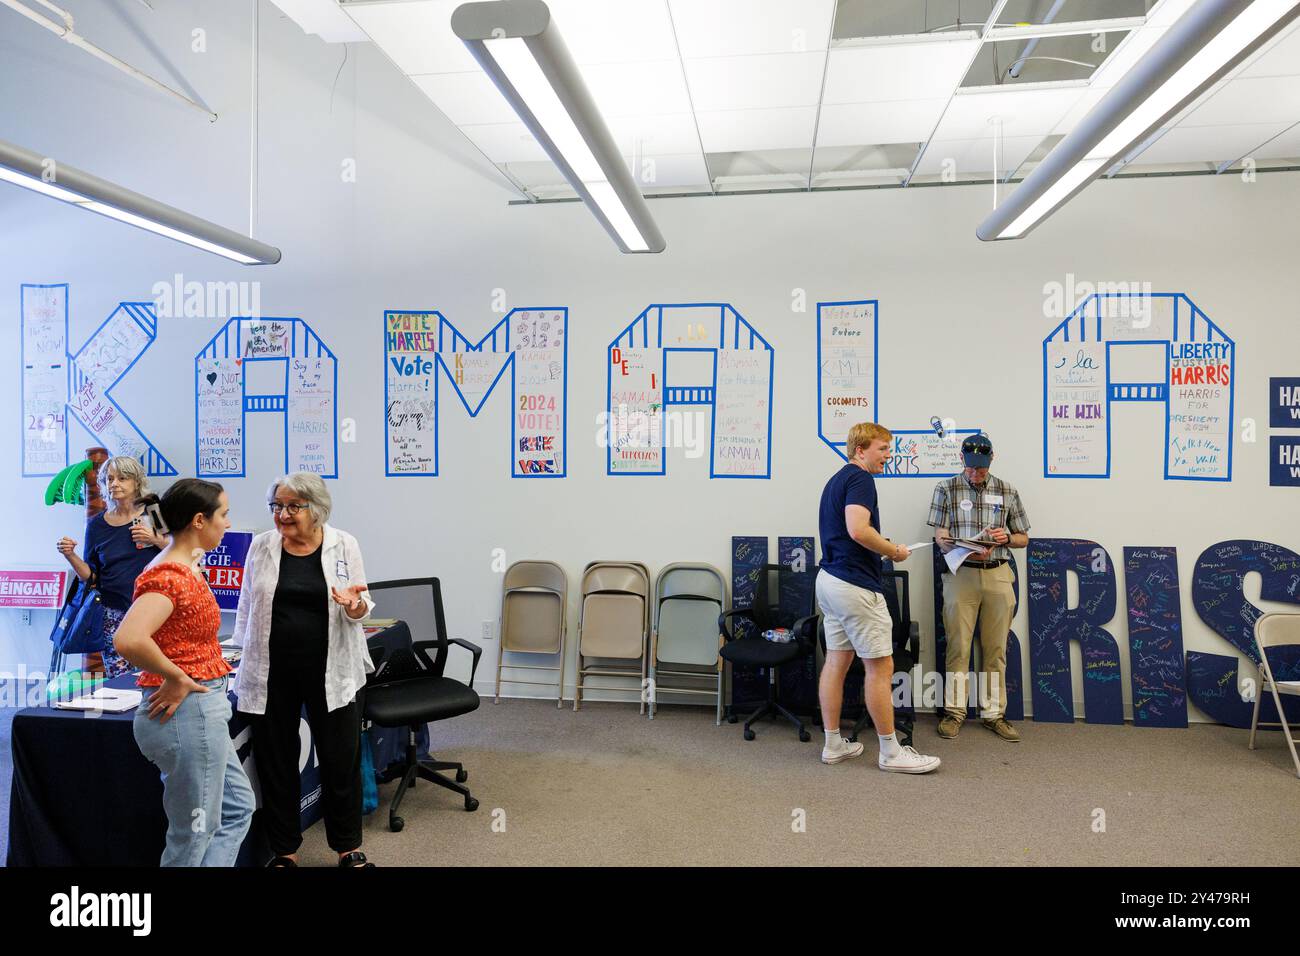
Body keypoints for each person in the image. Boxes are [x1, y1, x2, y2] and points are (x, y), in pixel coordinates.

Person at [232, 473, 375, 868]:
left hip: (333, 669)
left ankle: (348, 848)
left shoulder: (344, 544)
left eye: (293, 506)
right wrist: (235, 654)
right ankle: (285, 852)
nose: (283, 514)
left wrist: (353, 607)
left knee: (338, 758)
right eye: (276, 506)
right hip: (271, 670)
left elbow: (362, 605)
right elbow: (247, 606)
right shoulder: (261, 546)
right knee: (276, 762)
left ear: (317, 509)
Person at [112, 478, 254, 867]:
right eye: (223, 515)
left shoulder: (185, 564)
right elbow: (128, 639)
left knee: (238, 808)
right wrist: (175, 676)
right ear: (198, 520)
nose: (227, 523)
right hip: (185, 714)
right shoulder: (170, 576)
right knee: (194, 832)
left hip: (203, 708)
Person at [816, 422, 940, 774]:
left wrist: (882, 548)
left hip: (829, 580)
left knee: (837, 661)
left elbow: (849, 531)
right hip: (854, 586)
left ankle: (832, 743)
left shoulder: (836, 480)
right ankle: (890, 752)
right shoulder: (860, 479)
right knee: (880, 667)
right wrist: (893, 551)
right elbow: (857, 529)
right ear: (861, 450)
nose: (889, 455)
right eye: (883, 449)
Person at [927, 433, 1030, 742]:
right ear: (962, 460)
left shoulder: (1007, 490)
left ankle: (994, 714)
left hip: (998, 573)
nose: (975, 473)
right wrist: (956, 545)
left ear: (991, 460)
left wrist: (1006, 538)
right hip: (962, 574)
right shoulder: (945, 488)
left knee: (996, 648)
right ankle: (955, 713)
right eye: (971, 468)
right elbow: (940, 536)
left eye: (981, 468)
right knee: (958, 647)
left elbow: (1023, 538)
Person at [55, 456, 166, 676]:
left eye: (122, 478)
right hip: (113, 613)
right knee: (120, 679)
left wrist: (155, 539)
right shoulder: (97, 524)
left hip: (153, 610)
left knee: (156, 676)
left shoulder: (153, 513)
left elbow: (180, 552)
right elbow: (91, 576)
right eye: (109, 479)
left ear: (136, 482)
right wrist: (70, 556)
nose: (114, 484)